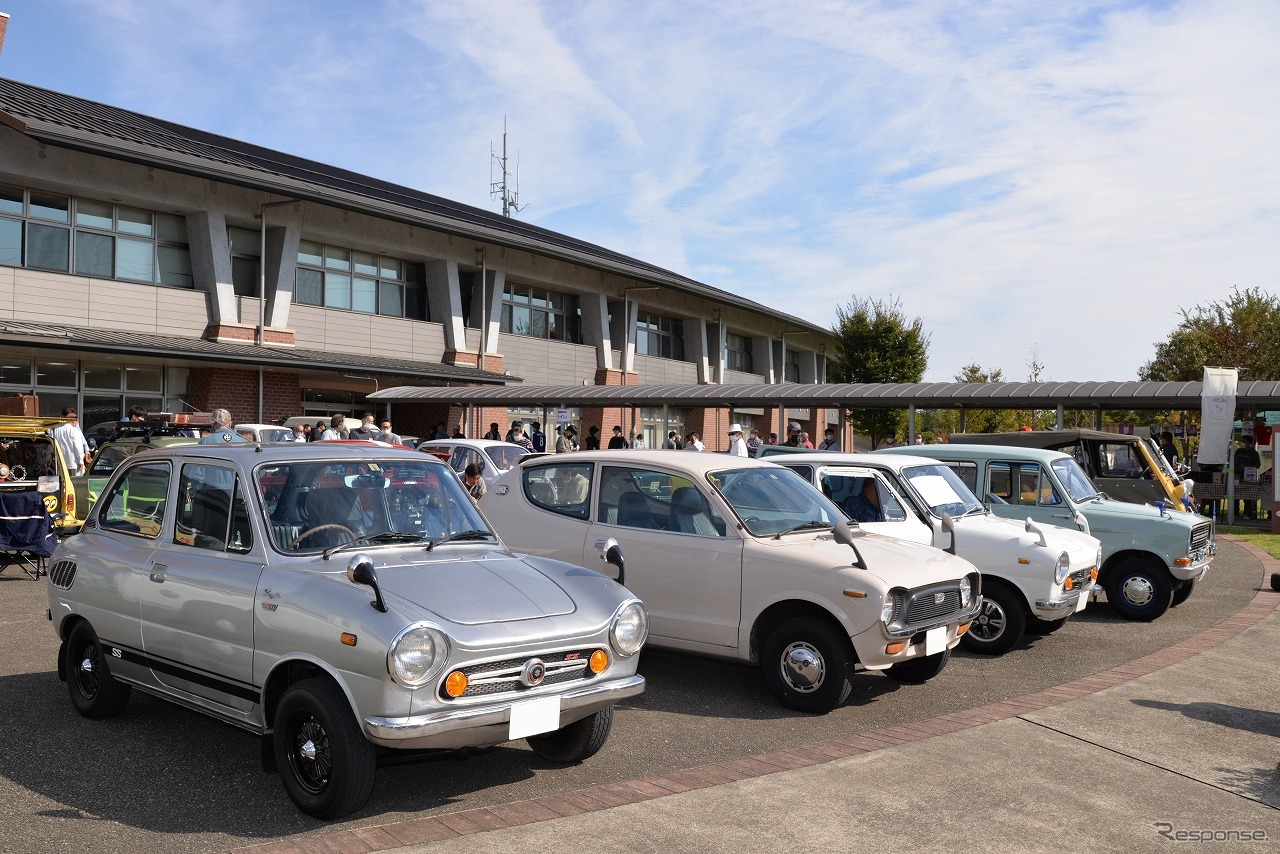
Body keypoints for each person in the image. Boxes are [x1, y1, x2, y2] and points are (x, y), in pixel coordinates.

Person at [53, 406, 92, 475]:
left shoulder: (56, 430)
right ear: (74, 421)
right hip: (74, 463)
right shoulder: (75, 431)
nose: (77, 424)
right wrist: (81, 461)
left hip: (61, 462)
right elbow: (78, 447)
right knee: (76, 483)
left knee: (64, 483)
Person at [1236, 434, 1262, 519]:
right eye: (1242, 441)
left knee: (1247, 497)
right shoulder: (1238, 451)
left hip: (1248, 477)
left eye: (1244, 441)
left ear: (1249, 443)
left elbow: (1257, 466)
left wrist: (1245, 466)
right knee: (1235, 495)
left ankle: (1247, 514)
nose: (1242, 443)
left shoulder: (1254, 453)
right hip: (1237, 476)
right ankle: (1235, 512)